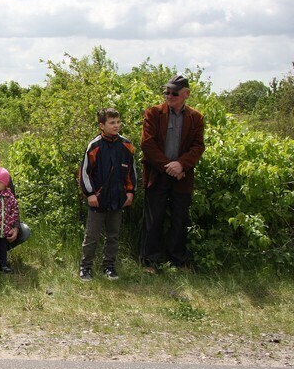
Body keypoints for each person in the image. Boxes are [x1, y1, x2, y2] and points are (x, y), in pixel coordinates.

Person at [140, 75, 205, 273]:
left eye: (174, 92)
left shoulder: (196, 117)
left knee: (180, 219)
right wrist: (170, 166)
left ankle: (178, 261)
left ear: (186, 94)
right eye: (166, 92)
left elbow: (198, 146)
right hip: (158, 174)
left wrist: (181, 165)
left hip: (182, 177)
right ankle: (149, 262)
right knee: (154, 219)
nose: (169, 95)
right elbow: (147, 144)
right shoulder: (153, 113)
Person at [78, 108, 137, 281]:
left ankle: (109, 266)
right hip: (98, 199)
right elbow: (84, 173)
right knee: (92, 236)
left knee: (113, 235)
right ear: (102, 126)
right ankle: (85, 267)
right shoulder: (94, 146)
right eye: (112, 123)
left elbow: (131, 172)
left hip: (118, 198)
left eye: (118, 122)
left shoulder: (126, 145)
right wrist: (90, 194)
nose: (116, 125)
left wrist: (130, 192)